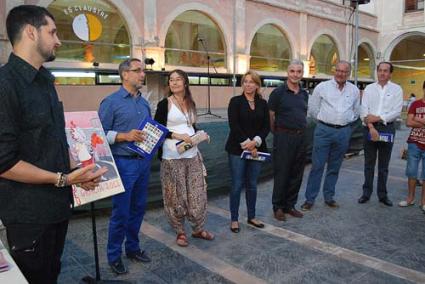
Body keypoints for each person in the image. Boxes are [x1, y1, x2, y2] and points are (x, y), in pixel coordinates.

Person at [0, 5, 106, 283]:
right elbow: (4, 163)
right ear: (31, 32)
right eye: (53, 31)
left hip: (57, 208)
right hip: (28, 214)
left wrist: (79, 172)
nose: (58, 40)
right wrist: (62, 179)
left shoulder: (45, 81)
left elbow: (52, 141)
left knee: (51, 274)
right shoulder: (5, 84)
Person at [99, 58, 152, 274]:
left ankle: (132, 248)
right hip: (123, 164)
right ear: (124, 74)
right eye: (137, 70)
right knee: (121, 212)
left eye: (143, 70)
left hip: (143, 163)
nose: (142, 74)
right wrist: (124, 136)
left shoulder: (144, 103)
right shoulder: (110, 102)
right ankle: (114, 256)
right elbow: (98, 135)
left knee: (138, 209)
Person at [154, 69, 214, 247]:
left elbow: (191, 126)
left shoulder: (190, 102)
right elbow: (157, 129)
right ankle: (180, 231)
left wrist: (201, 135)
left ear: (185, 83)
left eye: (178, 79)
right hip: (172, 157)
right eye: (171, 80)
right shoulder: (164, 104)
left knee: (197, 193)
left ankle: (198, 229)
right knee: (176, 196)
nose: (174, 83)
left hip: (192, 154)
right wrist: (177, 136)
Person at [301, 61, 360, 211]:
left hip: (343, 132)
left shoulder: (354, 90)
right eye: (339, 70)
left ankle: (329, 197)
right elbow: (313, 109)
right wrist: (325, 119)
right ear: (335, 71)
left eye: (344, 72)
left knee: (334, 167)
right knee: (317, 166)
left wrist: (345, 120)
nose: (341, 74)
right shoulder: (322, 87)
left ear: (349, 73)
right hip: (324, 131)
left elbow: (356, 111)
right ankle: (310, 199)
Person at [225, 70, 270, 232]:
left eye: (251, 82)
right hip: (237, 149)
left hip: (257, 150)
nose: (248, 84)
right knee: (237, 184)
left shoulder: (263, 104)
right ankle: (234, 219)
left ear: (257, 85)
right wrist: (247, 144)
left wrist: (255, 142)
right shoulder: (235, 101)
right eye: (245, 81)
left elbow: (266, 126)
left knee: (252, 185)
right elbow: (234, 125)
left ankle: (252, 216)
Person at [358, 62, 403, 206]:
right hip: (370, 128)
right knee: (368, 164)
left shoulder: (397, 89)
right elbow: (363, 110)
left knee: (384, 165)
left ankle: (382, 195)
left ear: (390, 73)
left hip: (387, 129)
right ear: (377, 72)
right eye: (380, 70)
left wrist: (377, 118)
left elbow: (396, 111)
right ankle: (366, 193)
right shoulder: (369, 89)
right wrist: (371, 126)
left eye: (386, 71)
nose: (382, 73)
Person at [268, 60, 308, 221]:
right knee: (282, 172)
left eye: (299, 71)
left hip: (301, 137)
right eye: (292, 71)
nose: (295, 74)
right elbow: (271, 116)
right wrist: (278, 133)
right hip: (283, 137)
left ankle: (290, 205)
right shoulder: (278, 93)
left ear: (302, 74)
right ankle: (278, 207)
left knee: (297, 172)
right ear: (287, 72)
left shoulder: (304, 94)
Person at [399, 81, 425, 212]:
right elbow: (408, 122)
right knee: (411, 172)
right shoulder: (416, 104)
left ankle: (423, 202)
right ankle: (410, 198)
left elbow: (413, 120)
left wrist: (417, 119)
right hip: (414, 142)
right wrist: (423, 121)